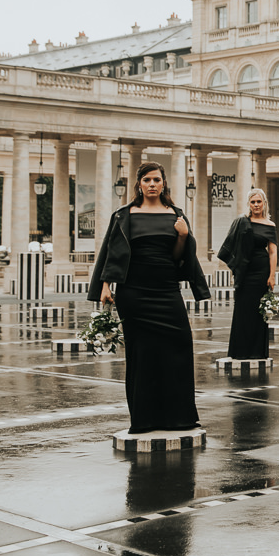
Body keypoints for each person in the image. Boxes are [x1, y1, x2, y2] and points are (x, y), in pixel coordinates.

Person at [88, 162, 209, 434]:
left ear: (163, 183)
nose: (152, 184)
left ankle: (179, 417)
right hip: (133, 292)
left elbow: (178, 256)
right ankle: (144, 419)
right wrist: (105, 286)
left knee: (179, 347)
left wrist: (184, 236)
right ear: (139, 184)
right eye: (147, 180)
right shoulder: (124, 214)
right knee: (141, 354)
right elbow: (111, 252)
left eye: (156, 179)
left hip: (166, 290)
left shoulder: (176, 214)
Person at [217, 189, 278, 360]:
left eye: (259, 202)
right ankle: (240, 351)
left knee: (259, 310)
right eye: (253, 202)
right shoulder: (242, 221)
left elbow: (273, 252)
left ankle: (258, 351)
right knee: (242, 308)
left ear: (264, 203)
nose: (256, 205)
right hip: (244, 270)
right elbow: (232, 244)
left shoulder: (270, 225)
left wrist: (272, 275)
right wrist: (235, 267)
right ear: (249, 204)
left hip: (261, 270)